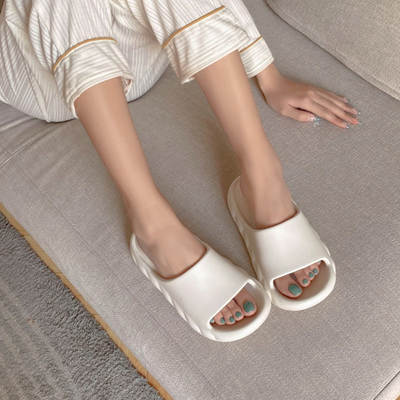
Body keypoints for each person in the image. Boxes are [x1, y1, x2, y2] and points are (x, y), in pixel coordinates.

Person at [0, 0, 358, 327]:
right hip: (39, 68)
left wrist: (268, 74)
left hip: (135, 55)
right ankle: (154, 226)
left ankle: (263, 177)